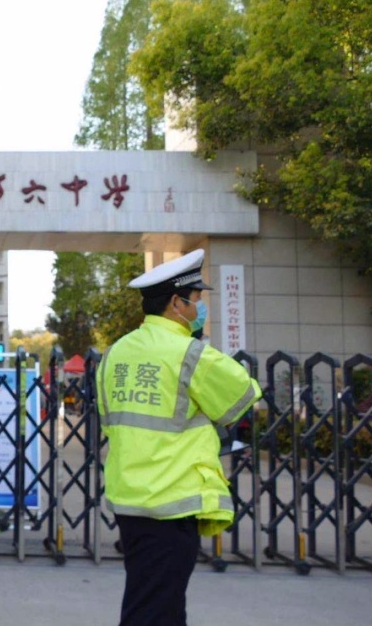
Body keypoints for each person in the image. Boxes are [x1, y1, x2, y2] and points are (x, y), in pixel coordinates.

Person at [95, 249, 261, 626]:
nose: (199, 307)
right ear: (176, 303)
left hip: (129, 499)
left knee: (161, 604)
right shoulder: (190, 353)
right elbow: (243, 396)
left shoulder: (115, 353)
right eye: (196, 299)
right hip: (171, 503)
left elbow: (108, 419)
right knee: (152, 610)